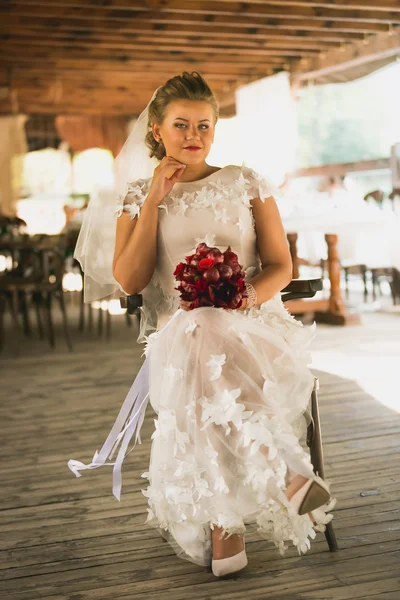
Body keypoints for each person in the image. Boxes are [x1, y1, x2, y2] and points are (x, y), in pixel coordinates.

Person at [69, 71, 336, 577]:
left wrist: (242, 297)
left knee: (206, 337)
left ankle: (225, 529)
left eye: (205, 126)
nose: (194, 136)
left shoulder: (247, 181)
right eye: (182, 125)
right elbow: (129, 280)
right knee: (197, 334)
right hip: (183, 337)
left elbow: (281, 265)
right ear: (156, 129)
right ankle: (281, 473)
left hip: (254, 327)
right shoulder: (136, 197)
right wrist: (153, 200)